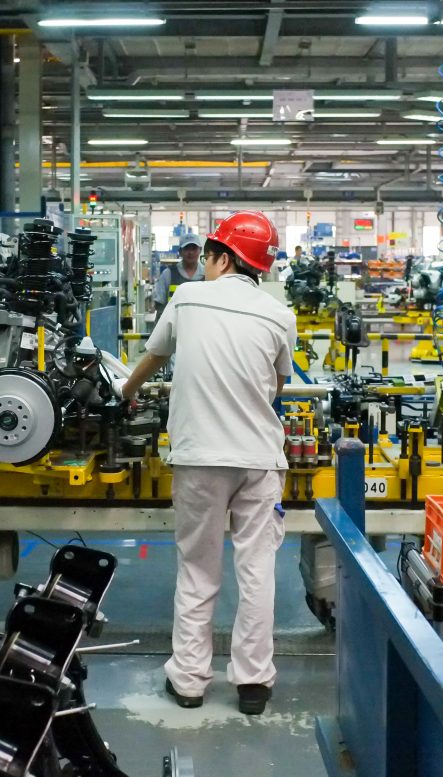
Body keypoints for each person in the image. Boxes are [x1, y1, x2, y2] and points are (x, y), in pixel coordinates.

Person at [121, 211, 297, 716]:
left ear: (222, 258)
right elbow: (277, 384)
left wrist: (126, 393)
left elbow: (153, 358)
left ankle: (191, 681)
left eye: (209, 256)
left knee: (199, 569)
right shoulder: (278, 315)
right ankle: (253, 684)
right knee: (257, 569)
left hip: (200, 456)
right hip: (260, 458)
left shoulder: (187, 298)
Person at [153, 234, 204, 317]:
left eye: (194, 248)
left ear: (200, 250)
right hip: (173, 326)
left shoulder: (207, 274)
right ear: (180, 251)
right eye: (187, 248)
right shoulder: (168, 275)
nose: (190, 252)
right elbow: (159, 305)